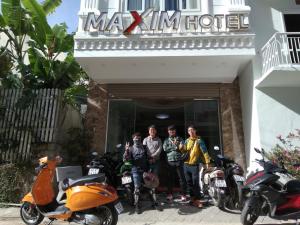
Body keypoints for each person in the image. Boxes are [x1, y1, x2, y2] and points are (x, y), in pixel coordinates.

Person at [124, 132, 161, 214]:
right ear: (133, 139)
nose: (137, 139)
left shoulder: (144, 147)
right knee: (137, 188)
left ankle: (155, 203)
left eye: (138, 138)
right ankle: (137, 205)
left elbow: (149, 156)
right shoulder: (130, 149)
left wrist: (151, 161)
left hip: (146, 171)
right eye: (135, 138)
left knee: (152, 187)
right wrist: (126, 150)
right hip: (135, 171)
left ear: (141, 139)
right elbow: (126, 159)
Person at [182, 125, 210, 208]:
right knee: (189, 182)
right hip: (186, 164)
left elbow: (204, 151)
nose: (190, 132)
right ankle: (192, 198)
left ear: (195, 131)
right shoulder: (187, 140)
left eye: (192, 130)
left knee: (195, 182)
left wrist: (207, 162)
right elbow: (184, 150)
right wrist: (180, 147)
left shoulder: (199, 141)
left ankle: (197, 199)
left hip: (194, 165)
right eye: (189, 131)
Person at [163, 125, 188, 202]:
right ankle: (170, 194)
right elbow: (165, 149)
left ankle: (183, 194)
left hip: (179, 161)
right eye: (170, 131)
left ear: (175, 131)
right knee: (170, 178)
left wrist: (178, 146)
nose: (171, 132)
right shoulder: (166, 140)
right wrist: (175, 147)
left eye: (173, 130)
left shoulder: (180, 139)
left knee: (182, 178)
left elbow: (183, 148)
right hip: (170, 161)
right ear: (168, 131)